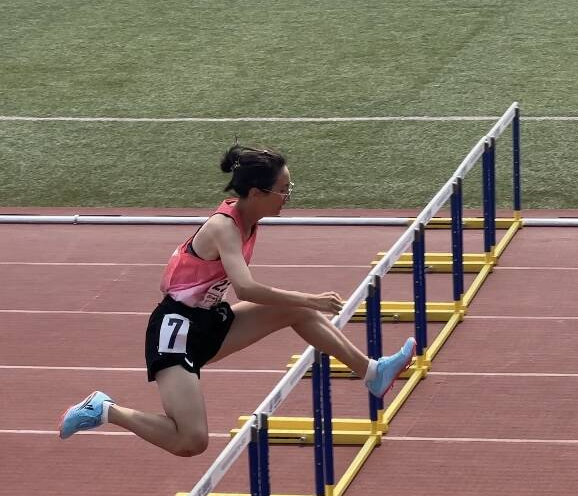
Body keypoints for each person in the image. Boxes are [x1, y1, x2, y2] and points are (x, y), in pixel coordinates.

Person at [58, 144, 416, 456]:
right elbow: (245, 288)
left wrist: (303, 304)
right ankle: (105, 409)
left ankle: (372, 373)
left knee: (295, 312)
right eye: (283, 190)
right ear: (257, 192)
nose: (288, 197)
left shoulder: (250, 221)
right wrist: (312, 298)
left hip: (211, 320)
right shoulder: (224, 227)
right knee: (191, 441)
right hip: (175, 331)